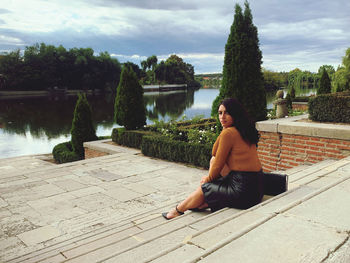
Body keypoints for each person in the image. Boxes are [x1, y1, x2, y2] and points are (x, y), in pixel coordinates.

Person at [162, 98, 264, 220]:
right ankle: (203, 202)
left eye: (227, 112)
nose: (222, 117)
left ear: (235, 113)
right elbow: (215, 153)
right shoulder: (243, 130)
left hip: (243, 191)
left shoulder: (229, 133)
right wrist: (223, 131)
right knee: (212, 162)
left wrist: (208, 180)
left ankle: (177, 210)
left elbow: (218, 163)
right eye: (220, 113)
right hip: (257, 188)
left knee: (206, 187)